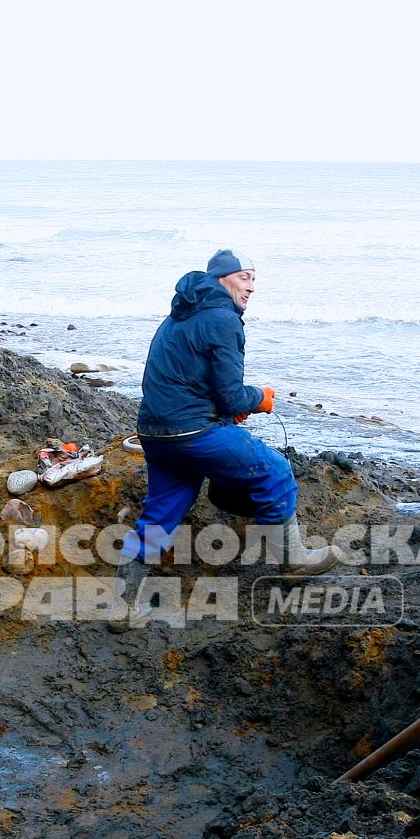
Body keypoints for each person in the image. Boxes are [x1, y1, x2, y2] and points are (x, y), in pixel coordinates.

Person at [118, 249, 339, 600]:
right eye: (244, 276)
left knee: (161, 512)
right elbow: (233, 396)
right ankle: (294, 561)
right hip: (192, 432)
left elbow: (190, 382)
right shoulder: (223, 319)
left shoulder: (179, 314)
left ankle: (123, 602)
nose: (251, 286)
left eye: (253, 278)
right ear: (222, 279)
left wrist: (224, 410)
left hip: (155, 433)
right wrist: (260, 397)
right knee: (277, 470)